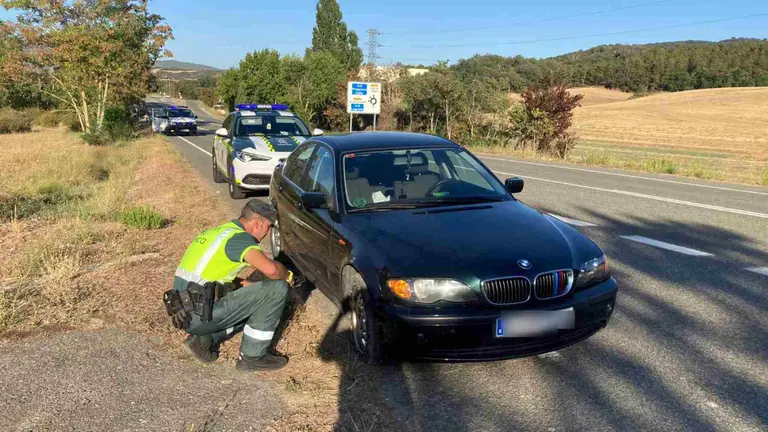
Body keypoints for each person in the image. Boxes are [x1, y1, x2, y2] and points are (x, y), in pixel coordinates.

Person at [164, 199, 293, 372]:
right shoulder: (240, 239)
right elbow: (271, 270)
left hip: (185, 312)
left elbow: (216, 278)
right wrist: (288, 276)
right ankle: (252, 357)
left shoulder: (216, 233)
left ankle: (203, 340)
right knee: (277, 289)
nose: (267, 233)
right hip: (200, 314)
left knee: (257, 295)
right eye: (268, 227)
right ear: (257, 223)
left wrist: (250, 286)